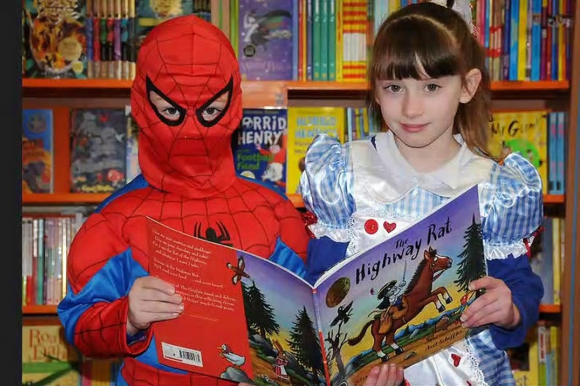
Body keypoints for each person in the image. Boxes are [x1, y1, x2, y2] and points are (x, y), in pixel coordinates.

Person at [299, 1, 544, 385]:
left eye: (431, 86)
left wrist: (510, 307)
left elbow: (520, 285)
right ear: (376, 90)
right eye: (395, 87)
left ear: (467, 86)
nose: (411, 108)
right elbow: (323, 290)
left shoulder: (493, 189)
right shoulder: (347, 175)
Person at [57, 15, 309, 386]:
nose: (191, 130)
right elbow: (77, 325)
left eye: (209, 111)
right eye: (172, 111)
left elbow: (311, 318)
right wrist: (126, 318)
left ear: (232, 102)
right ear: (143, 103)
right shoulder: (115, 221)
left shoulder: (272, 211)